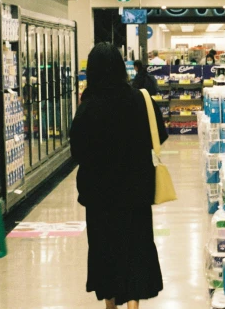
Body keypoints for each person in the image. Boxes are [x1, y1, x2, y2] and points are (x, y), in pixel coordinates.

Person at [70, 43, 166, 309]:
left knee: (105, 250)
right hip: (136, 192)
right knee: (135, 248)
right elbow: (161, 135)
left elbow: (77, 151)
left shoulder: (88, 107)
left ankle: (110, 304)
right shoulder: (139, 99)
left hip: (100, 196)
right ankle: (133, 304)